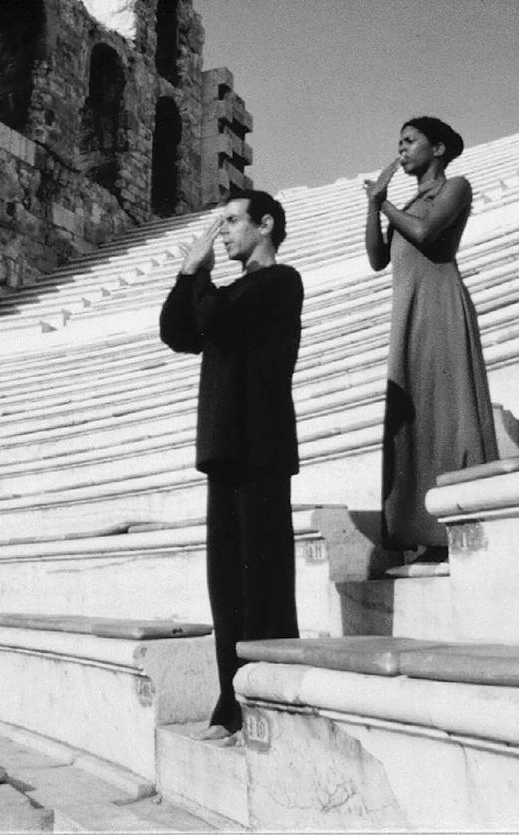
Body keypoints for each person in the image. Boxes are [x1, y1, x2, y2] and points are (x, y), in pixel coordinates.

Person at [159, 188, 303, 742]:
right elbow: (178, 332)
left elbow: (216, 321)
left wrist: (199, 277)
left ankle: (268, 693)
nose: (224, 231)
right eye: (221, 223)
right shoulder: (231, 291)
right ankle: (231, 698)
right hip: (224, 450)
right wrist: (186, 276)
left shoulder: (279, 283)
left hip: (261, 447)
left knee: (262, 580)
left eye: (233, 221)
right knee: (227, 585)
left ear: (265, 226)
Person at [364, 117, 499, 566]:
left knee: (446, 412)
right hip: (408, 313)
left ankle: (453, 524)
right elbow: (377, 260)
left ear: (437, 148)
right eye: (398, 142)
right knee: (414, 419)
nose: (400, 150)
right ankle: (418, 531)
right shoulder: (404, 202)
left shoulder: (454, 187)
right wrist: (373, 206)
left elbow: (426, 234)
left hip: (439, 306)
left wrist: (384, 207)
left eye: (409, 141)